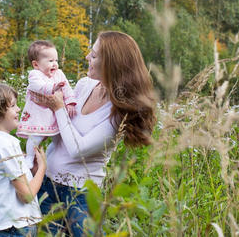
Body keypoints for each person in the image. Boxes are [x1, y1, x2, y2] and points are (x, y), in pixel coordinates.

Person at [31, 31, 156, 236]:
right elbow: (62, 131)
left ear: (112, 64)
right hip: (48, 184)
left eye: (95, 55)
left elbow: (78, 150)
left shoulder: (118, 112)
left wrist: (58, 108)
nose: (88, 57)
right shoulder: (83, 85)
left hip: (81, 195)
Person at [0, 83, 47, 237]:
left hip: (15, 226)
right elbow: (26, 195)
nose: (18, 109)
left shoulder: (2, 144)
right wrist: (42, 168)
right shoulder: (4, 147)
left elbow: (18, 184)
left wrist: (32, 170)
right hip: (15, 228)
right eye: (13, 106)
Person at [16, 40, 76, 168]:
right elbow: (38, 86)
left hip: (55, 114)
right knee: (35, 138)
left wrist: (70, 102)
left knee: (60, 138)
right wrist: (53, 87)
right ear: (36, 64)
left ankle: (55, 157)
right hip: (38, 113)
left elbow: (67, 88)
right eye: (50, 61)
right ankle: (30, 158)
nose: (55, 64)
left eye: (56, 61)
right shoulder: (34, 75)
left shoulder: (59, 74)